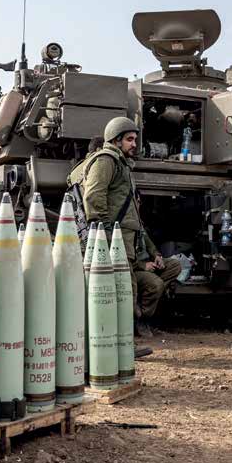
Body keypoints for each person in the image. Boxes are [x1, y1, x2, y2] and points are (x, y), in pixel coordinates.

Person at [77, 117, 180, 336]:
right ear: (115, 140)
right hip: (115, 237)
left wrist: (153, 252)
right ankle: (124, 338)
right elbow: (94, 197)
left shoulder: (121, 163)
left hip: (125, 237)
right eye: (129, 139)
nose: (134, 144)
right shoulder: (106, 160)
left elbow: (133, 218)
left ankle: (128, 334)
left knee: (127, 286)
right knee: (125, 287)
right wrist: (105, 234)